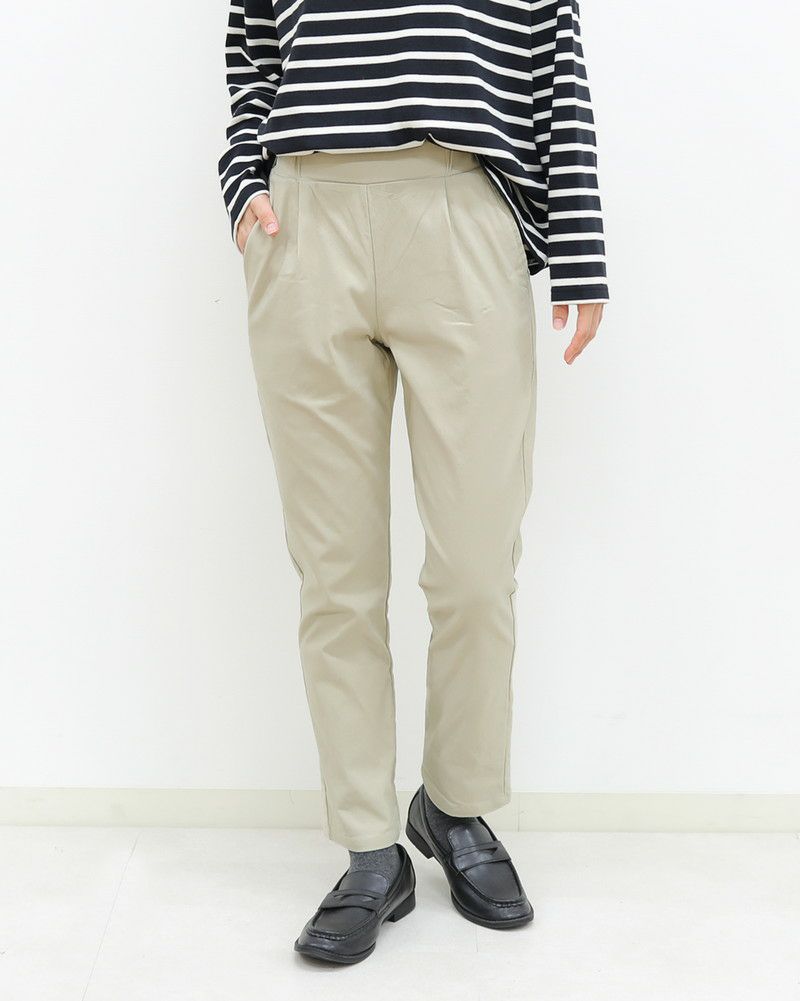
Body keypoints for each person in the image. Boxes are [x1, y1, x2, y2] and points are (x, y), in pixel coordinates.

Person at [218, 0, 608, 964]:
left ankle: (455, 805)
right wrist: (243, 183)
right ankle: (368, 847)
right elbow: (253, 57)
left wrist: (579, 251)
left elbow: (556, 71)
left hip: (463, 208)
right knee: (336, 572)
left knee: (476, 565)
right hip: (304, 219)